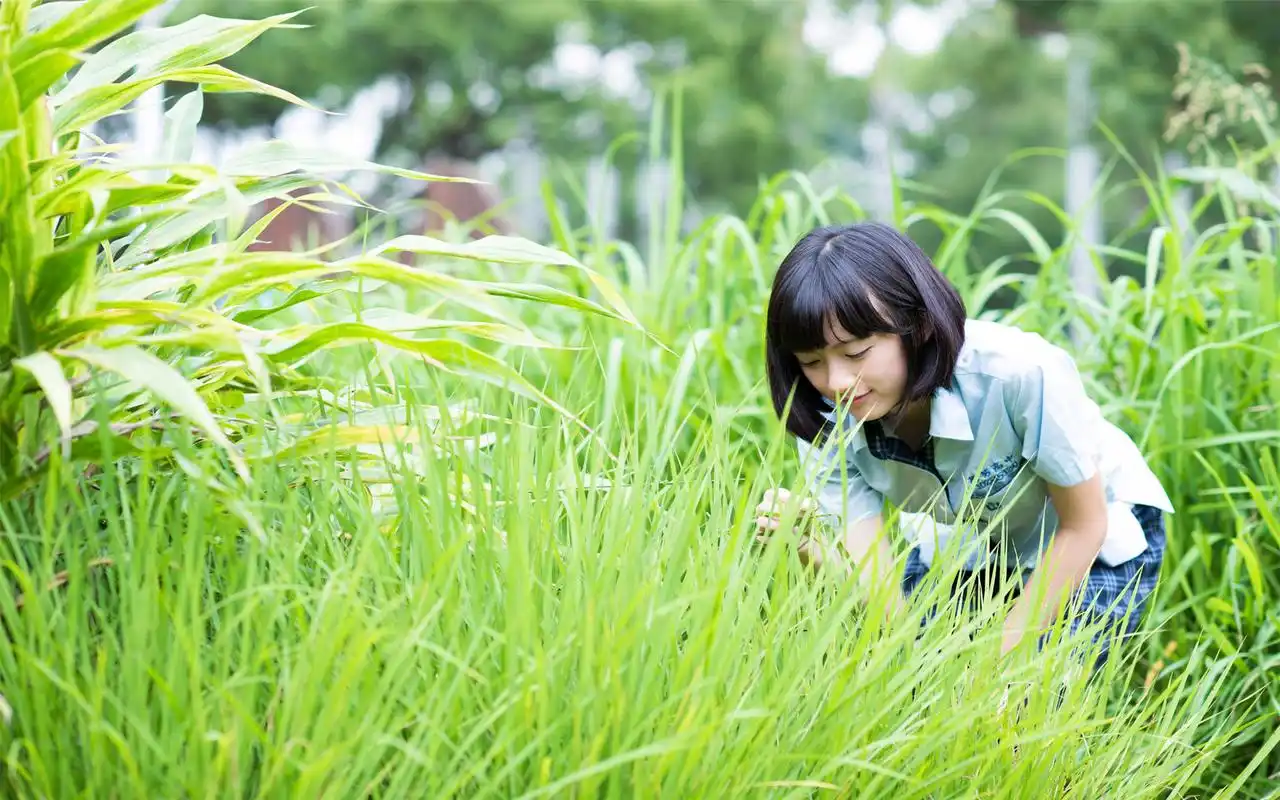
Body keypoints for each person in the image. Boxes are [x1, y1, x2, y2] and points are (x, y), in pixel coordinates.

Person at [753, 221, 1173, 666]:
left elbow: (1084, 525)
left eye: (856, 353)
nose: (837, 382)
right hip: (972, 546)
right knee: (921, 676)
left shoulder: (1018, 373)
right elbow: (887, 610)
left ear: (917, 325)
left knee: (1028, 688)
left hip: (1095, 538)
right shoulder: (826, 416)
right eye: (811, 362)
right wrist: (813, 552)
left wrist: (995, 667)